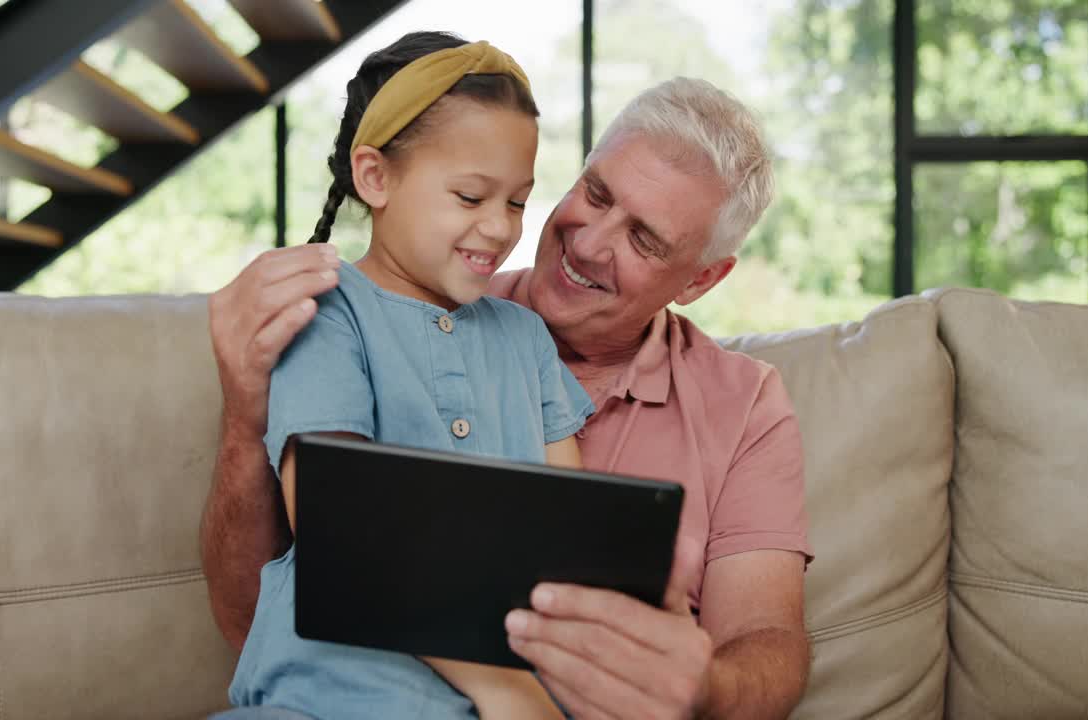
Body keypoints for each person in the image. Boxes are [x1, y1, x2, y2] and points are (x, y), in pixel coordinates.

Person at [203, 74, 814, 719]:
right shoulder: (411, 298)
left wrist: (707, 688)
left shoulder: (745, 404)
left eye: (643, 239)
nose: (588, 241)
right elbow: (262, 606)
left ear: (700, 280)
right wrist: (246, 415)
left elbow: (765, 637)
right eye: (595, 193)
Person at [223, 31, 593, 719]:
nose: (500, 228)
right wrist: (499, 684)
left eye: (516, 202)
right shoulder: (328, 316)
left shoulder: (525, 339)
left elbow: (568, 544)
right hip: (326, 699)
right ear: (375, 178)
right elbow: (342, 528)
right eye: (470, 196)